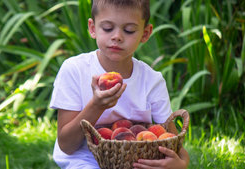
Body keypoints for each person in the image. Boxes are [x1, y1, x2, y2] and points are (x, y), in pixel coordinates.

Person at [49, 0, 190, 168]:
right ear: (92, 28)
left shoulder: (152, 80)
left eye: (129, 30)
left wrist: (181, 164)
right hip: (84, 159)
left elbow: (173, 141)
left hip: (135, 159)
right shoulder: (74, 70)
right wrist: (96, 105)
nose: (117, 36)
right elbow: (67, 146)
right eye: (108, 28)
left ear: (145, 34)